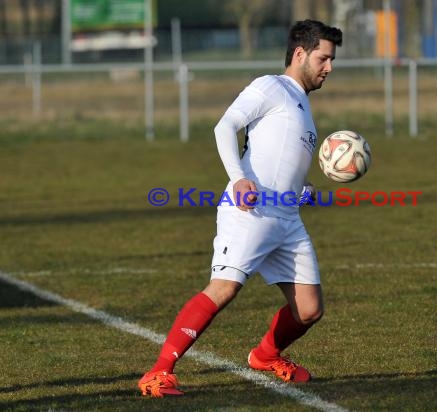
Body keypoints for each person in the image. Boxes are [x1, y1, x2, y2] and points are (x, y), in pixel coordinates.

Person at [138, 19, 343, 397]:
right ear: (300, 53)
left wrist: (301, 190)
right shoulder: (273, 87)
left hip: (285, 218)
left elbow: (278, 162)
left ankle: (265, 356)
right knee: (223, 289)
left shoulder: (302, 107)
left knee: (310, 309)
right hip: (250, 211)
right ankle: (159, 373)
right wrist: (237, 178)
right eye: (323, 58)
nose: (329, 67)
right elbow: (225, 125)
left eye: (331, 60)